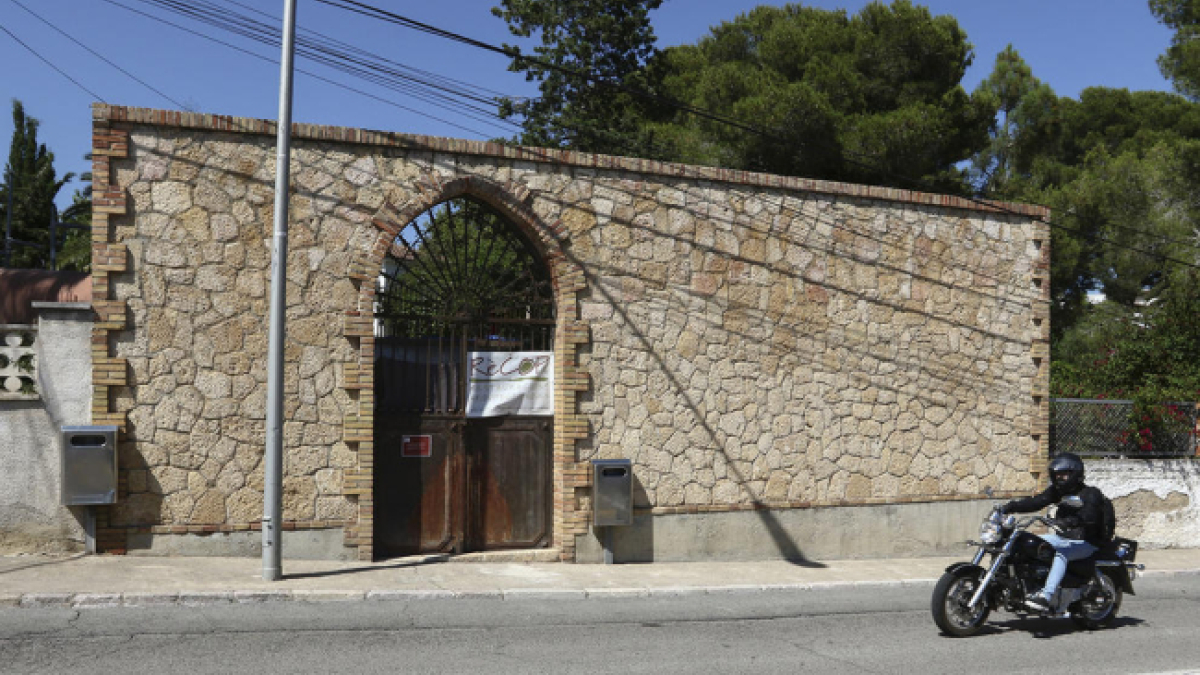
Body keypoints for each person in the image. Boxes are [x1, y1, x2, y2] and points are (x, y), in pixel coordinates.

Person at [1001, 452, 1108, 611]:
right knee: (1029, 543)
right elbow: (1038, 501)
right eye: (1057, 475)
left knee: (1061, 553)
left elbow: (1089, 515)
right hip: (1065, 538)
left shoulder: (1091, 493)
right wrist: (1010, 507)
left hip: (1087, 542)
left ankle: (1046, 596)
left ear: (1075, 474)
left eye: (1063, 475)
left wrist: (1072, 521)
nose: (1059, 478)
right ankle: (1024, 586)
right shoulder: (1058, 492)